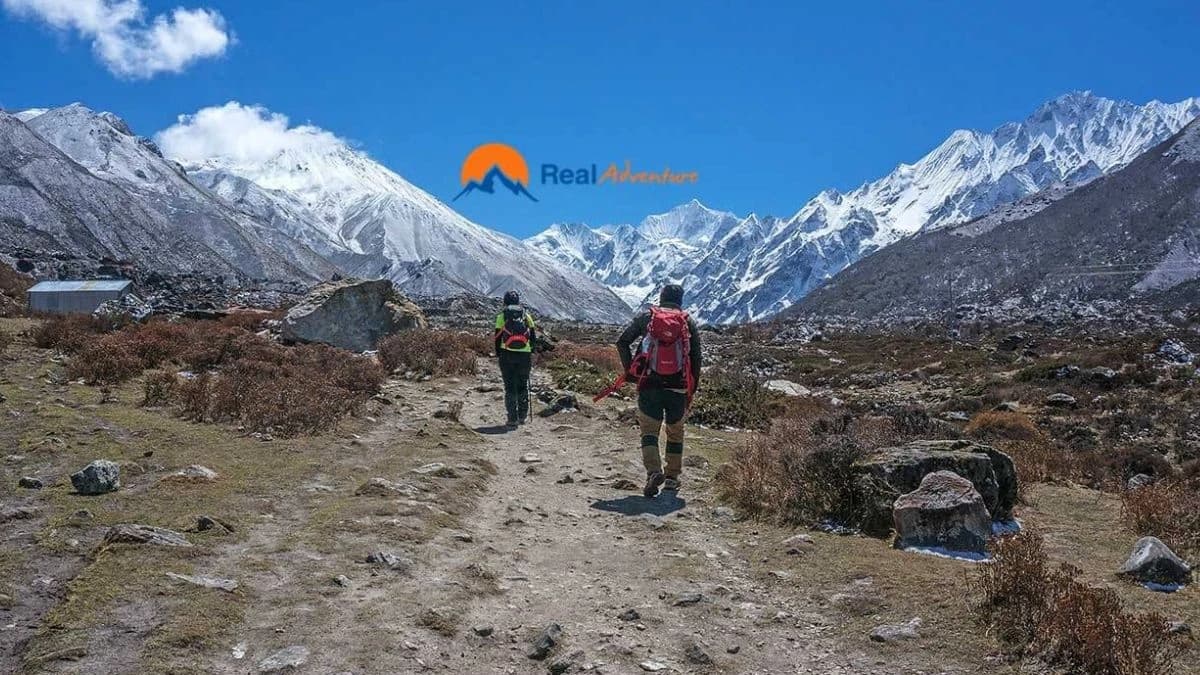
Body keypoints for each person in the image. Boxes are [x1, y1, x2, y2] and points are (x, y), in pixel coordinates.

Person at [615, 283, 702, 497]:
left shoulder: (648, 318)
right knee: (675, 432)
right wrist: (692, 387)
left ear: (661, 298)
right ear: (680, 300)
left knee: (649, 431)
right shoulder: (687, 322)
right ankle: (672, 478)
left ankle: (653, 472)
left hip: (649, 384)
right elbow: (696, 358)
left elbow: (622, 341)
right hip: (678, 387)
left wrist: (631, 372)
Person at [494, 290, 537, 429]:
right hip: (524, 355)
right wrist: (531, 350)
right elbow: (533, 336)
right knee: (522, 385)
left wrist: (498, 353)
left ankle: (512, 418)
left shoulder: (502, 316)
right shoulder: (526, 315)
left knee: (510, 386)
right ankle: (522, 416)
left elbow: (497, 337)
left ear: (505, 302)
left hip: (507, 354)